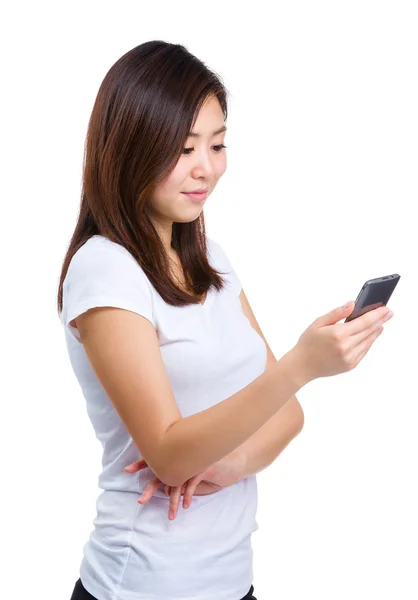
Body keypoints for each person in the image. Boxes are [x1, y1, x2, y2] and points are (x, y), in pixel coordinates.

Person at [58, 40, 394, 600]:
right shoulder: (104, 268)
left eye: (217, 145)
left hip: (232, 579)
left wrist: (230, 463)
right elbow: (166, 452)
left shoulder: (212, 260)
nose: (206, 168)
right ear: (130, 148)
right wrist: (300, 365)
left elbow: (287, 417)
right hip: (144, 583)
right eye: (184, 147)